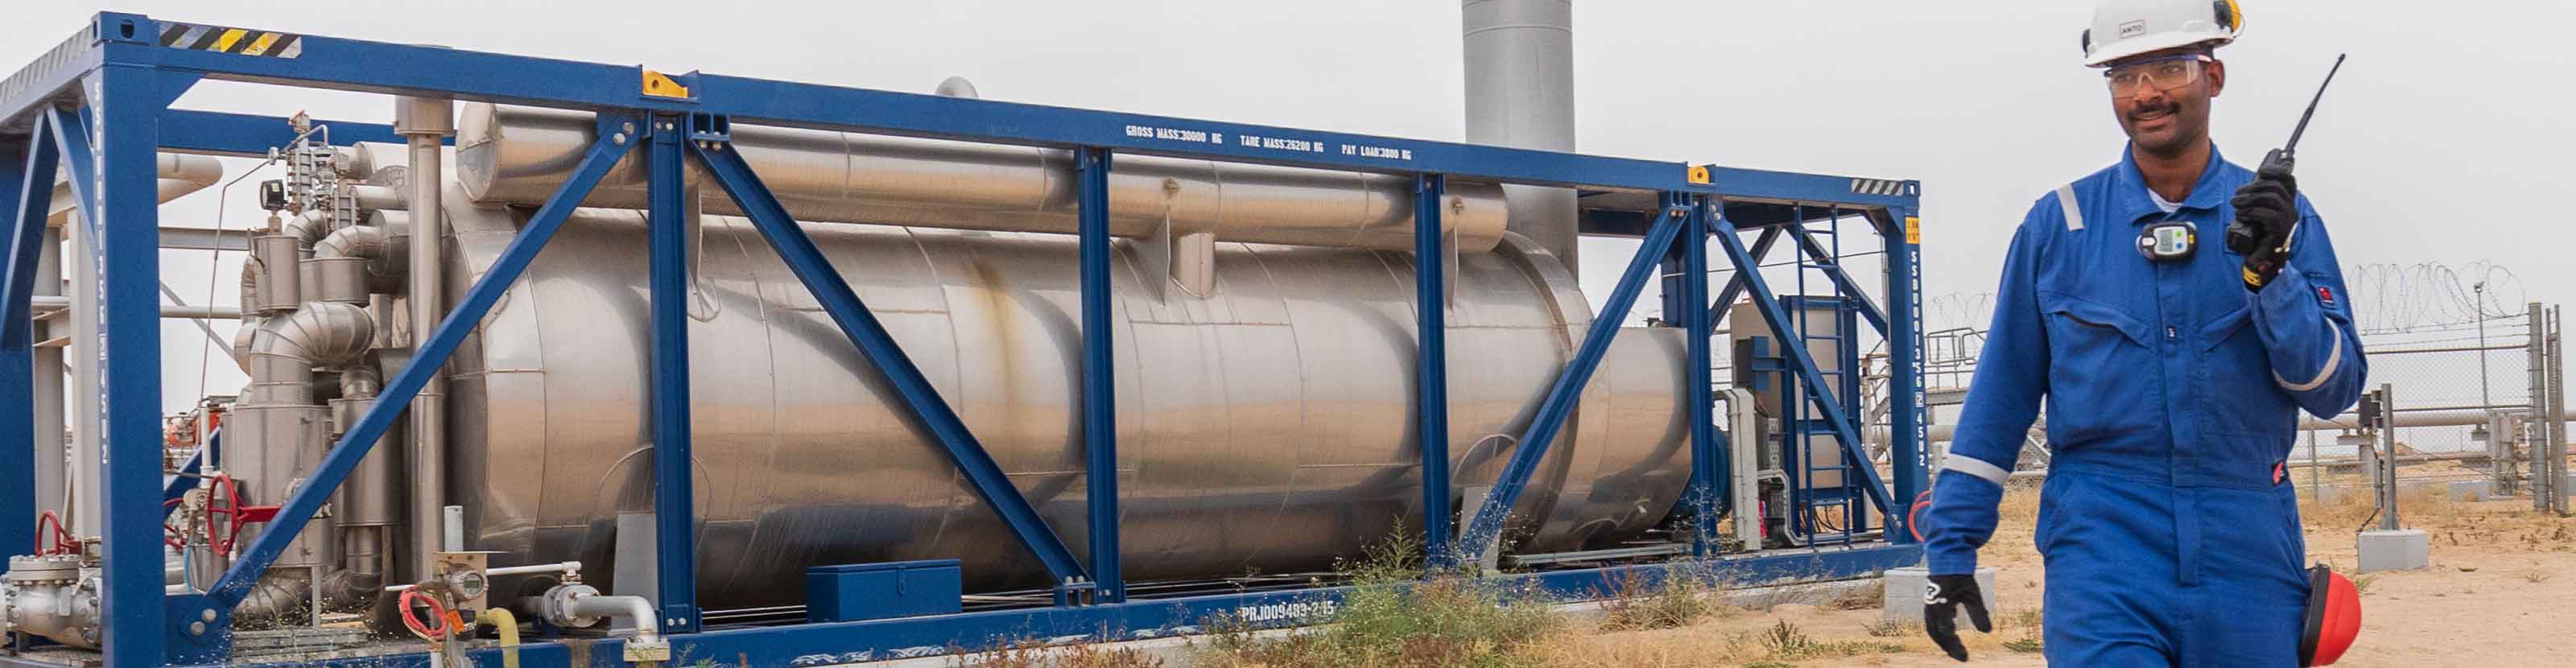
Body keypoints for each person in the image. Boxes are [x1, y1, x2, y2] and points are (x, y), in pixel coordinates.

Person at [1916, 0, 2366, 665]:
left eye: (2168, 69)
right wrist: (1951, 546)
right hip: (2104, 548)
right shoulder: (2059, 227)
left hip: (2247, 545)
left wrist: (2272, 273)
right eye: (2123, 76)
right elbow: (2001, 397)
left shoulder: (2283, 224)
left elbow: (2332, 389)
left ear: (2213, 77)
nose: (2146, 93)